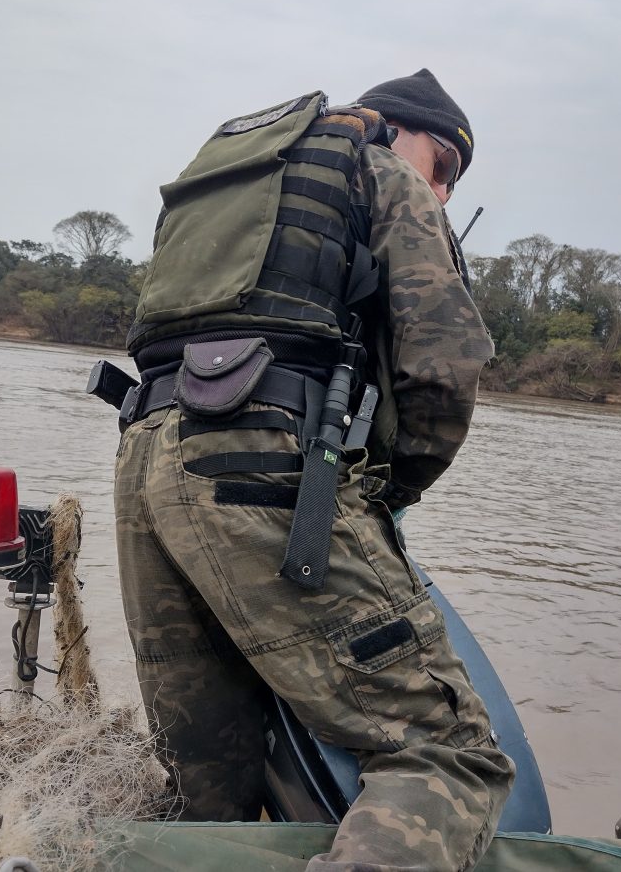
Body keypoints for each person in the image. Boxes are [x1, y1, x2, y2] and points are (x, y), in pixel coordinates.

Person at [113, 69, 514, 871]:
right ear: (399, 131)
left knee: (209, 775)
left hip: (143, 464)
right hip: (262, 468)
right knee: (448, 751)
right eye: (443, 166)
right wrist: (386, 495)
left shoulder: (242, 173)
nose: (440, 192)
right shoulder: (382, 172)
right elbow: (444, 368)